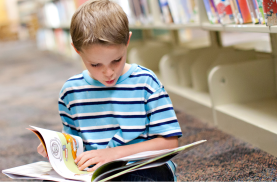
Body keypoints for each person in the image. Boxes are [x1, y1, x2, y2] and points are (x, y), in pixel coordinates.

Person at [37, 0, 182, 181]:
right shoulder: (71, 92)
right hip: (95, 171)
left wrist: (114, 154)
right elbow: (74, 145)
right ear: (77, 50)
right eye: (96, 64)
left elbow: (169, 142)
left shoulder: (146, 82)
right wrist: (57, 149)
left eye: (116, 60)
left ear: (127, 41)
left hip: (141, 165)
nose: (108, 72)